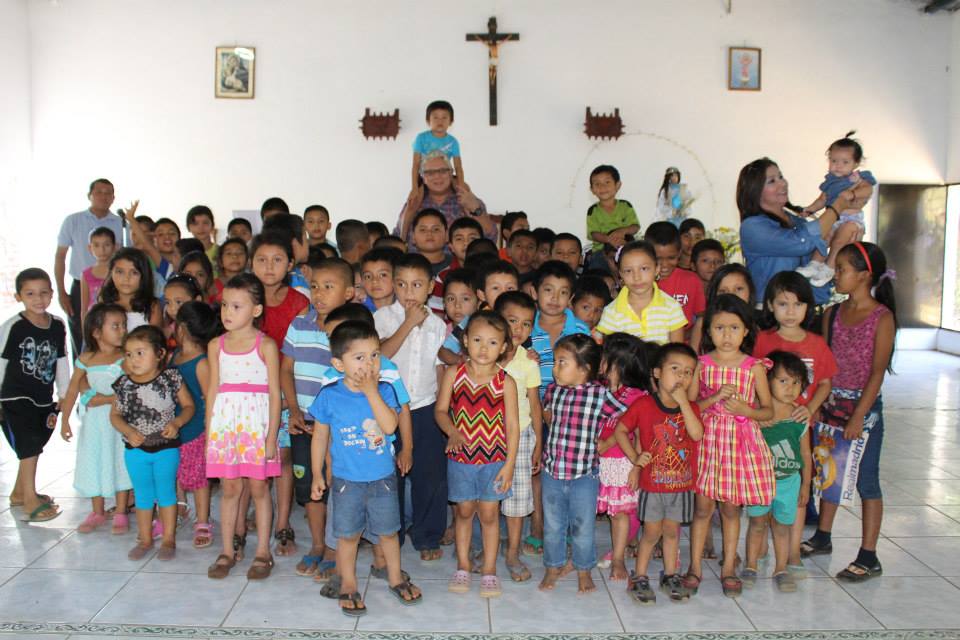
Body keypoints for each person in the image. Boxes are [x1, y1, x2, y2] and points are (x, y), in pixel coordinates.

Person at [309, 320, 422, 615]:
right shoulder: (330, 395)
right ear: (338, 364)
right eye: (360, 358)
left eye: (375, 355)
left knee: (388, 532)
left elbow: (389, 425)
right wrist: (318, 473)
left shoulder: (384, 391)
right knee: (347, 536)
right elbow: (320, 436)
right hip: (347, 481)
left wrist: (371, 392)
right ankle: (348, 583)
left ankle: (395, 577)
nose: (370, 363)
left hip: (382, 479)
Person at [802, 242, 897, 583]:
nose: (836, 274)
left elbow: (877, 372)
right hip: (830, 407)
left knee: (865, 479)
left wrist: (859, 415)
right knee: (829, 473)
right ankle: (823, 535)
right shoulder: (832, 313)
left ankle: (869, 555)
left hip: (863, 410)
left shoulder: (881, 318)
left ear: (864, 275)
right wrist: (815, 405)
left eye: (842, 269)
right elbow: (825, 366)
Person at [685, 294, 774, 599]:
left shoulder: (754, 367)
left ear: (746, 331)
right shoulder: (701, 364)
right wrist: (715, 399)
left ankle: (728, 568)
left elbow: (768, 410)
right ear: (708, 331)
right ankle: (694, 566)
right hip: (708, 442)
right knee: (702, 509)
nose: (726, 335)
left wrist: (747, 412)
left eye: (734, 328)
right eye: (719, 328)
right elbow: (693, 405)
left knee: (731, 509)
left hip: (738, 445)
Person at [754, 271, 837, 574]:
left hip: (800, 429)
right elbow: (754, 380)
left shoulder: (816, 343)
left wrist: (810, 408)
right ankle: (759, 546)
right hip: (766, 429)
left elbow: (825, 382)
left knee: (797, 488)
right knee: (763, 488)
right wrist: (759, 413)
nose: (790, 311)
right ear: (770, 307)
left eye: (798, 304)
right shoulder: (763, 341)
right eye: (783, 304)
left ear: (808, 308)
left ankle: (792, 553)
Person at [435, 311, 519, 598]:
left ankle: (490, 571)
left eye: (493, 342)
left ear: (504, 347)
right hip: (460, 460)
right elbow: (441, 411)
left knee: (489, 514)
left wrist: (509, 466)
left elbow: (512, 427)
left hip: (494, 461)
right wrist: (452, 432)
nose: (484, 348)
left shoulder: (506, 382)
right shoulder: (453, 374)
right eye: (478, 340)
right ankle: (462, 565)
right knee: (464, 512)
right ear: (465, 342)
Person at [281, 257, 355, 579]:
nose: (320, 294)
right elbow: (286, 369)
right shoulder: (299, 324)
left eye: (329, 286)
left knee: (339, 488)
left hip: (337, 428)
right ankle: (316, 544)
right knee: (312, 485)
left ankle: (335, 548)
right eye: (314, 286)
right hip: (304, 424)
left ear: (349, 293)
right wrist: (294, 410)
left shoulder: (350, 332)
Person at [205, 274, 282, 580]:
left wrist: (272, 435)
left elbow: (275, 393)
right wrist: (211, 430)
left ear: (256, 310)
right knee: (230, 489)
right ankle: (227, 550)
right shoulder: (215, 345)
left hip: (256, 427)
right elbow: (213, 388)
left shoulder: (266, 345)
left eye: (237, 306)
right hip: (226, 428)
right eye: (224, 304)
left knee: (260, 487)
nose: (227, 312)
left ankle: (263, 550)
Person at [614, 342, 703, 604]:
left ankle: (671, 574)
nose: (682, 377)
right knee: (651, 533)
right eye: (675, 369)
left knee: (672, 532)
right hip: (653, 485)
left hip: (681, 485)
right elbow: (620, 430)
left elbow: (697, 434)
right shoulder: (643, 405)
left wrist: (684, 403)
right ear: (656, 373)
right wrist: (635, 458)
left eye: (688, 372)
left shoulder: (692, 408)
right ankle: (639, 576)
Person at [539, 334, 626, 594]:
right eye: (555, 361)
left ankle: (583, 569)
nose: (555, 368)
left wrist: (608, 442)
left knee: (583, 525)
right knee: (553, 525)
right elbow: (548, 414)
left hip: (584, 475)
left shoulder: (599, 394)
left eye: (562, 362)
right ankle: (553, 566)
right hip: (552, 471)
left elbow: (626, 417)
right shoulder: (554, 390)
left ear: (584, 369)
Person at [375, 254, 449, 560]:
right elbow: (379, 357)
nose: (408, 292)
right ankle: (387, 532)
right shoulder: (383, 318)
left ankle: (427, 536)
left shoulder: (438, 324)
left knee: (429, 477)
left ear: (430, 287)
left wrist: (444, 407)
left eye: (417, 285)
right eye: (402, 284)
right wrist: (408, 323)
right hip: (389, 410)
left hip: (426, 407)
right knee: (389, 476)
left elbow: (439, 366)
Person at [111, 325, 194, 561]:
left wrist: (177, 423)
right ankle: (145, 538)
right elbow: (114, 415)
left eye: (140, 353)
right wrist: (128, 430)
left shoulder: (171, 378)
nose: (133, 359)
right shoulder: (123, 384)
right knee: (143, 494)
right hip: (135, 450)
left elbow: (189, 406)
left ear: (160, 354)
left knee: (166, 492)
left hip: (166, 449)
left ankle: (168, 539)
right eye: (128, 354)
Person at [0, 269, 70, 522]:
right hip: (13, 395)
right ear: (19, 296)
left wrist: (64, 393)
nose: (38, 299)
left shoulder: (58, 325)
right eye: (30, 294)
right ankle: (30, 500)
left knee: (35, 443)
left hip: (43, 395)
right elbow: (1, 361)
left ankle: (20, 492)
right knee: (28, 442)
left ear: (52, 293)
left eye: (43, 293)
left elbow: (62, 360)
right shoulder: (13, 326)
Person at [742, 350, 812, 593]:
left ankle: (781, 568)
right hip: (760, 481)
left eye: (796, 382)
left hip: (788, 482)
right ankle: (750, 564)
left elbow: (805, 454)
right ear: (767, 381)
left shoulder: (800, 417)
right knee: (757, 523)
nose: (790, 388)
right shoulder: (759, 415)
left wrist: (805, 485)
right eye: (783, 381)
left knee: (782, 527)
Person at [59, 303, 132, 533]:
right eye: (115, 326)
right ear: (97, 332)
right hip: (93, 424)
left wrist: (106, 399)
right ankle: (97, 511)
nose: (122, 330)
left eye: (123, 325)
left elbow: (131, 389)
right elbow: (72, 390)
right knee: (94, 460)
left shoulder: (126, 358)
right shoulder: (86, 359)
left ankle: (120, 511)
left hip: (119, 422)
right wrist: (65, 421)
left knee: (119, 461)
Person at [737, 157, 839, 305]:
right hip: (768, 315)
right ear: (755, 191)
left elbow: (815, 279)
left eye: (781, 177)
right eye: (772, 181)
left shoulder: (799, 222)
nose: (782, 183)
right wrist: (836, 208)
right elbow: (801, 243)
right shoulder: (752, 227)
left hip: (801, 313)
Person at [493, 292, 543, 582]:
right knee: (484, 497)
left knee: (517, 499)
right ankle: (483, 547)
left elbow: (534, 404)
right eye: (512, 321)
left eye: (526, 324)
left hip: (521, 435)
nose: (519, 330)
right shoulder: (484, 356)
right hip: (485, 437)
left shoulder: (528, 362)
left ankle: (512, 551)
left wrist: (538, 443)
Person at [594, 333, 652, 581]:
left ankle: (618, 558)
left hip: (622, 462)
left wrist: (636, 466)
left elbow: (639, 434)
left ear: (618, 363)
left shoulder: (637, 397)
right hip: (597, 461)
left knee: (620, 513)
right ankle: (618, 548)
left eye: (604, 356)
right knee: (612, 512)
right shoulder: (597, 391)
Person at [796, 132, 877, 286]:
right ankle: (814, 264)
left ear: (856, 163)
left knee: (839, 241)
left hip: (851, 220)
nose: (838, 165)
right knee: (823, 239)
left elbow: (868, 190)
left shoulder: (859, 178)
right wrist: (809, 209)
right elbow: (822, 200)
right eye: (834, 161)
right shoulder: (830, 182)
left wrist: (853, 193)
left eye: (845, 162)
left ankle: (829, 267)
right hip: (833, 218)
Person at [55, 178, 125, 353]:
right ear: (89, 195)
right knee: (81, 336)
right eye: (99, 192)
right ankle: (82, 378)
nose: (103, 196)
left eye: (108, 193)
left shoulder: (120, 223)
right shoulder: (73, 220)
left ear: (113, 197)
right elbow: (60, 257)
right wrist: (62, 292)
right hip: (81, 286)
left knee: (114, 335)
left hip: (113, 286)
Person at [172, 302, 219, 549]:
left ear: (181, 328)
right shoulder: (175, 356)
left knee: (199, 478)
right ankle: (180, 507)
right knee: (176, 472)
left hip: (197, 429)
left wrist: (209, 432)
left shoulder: (201, 362)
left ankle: (203, 519)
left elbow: (209, 398)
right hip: (175, 426)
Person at [395, 151, 496, 248]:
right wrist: (409, 211)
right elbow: (397, 237)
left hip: (460, 263)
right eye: (430, 173)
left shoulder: (468, 199)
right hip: (418, 263)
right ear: (423, 177)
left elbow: (491, 238)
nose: (437, 176)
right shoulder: (414, 202)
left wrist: (476, 209)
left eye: (443, 171)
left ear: (451, 173)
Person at [596, 241, 686, 345]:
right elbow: (610, 353)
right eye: (628, 271)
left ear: (657, 269)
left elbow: (677, 352)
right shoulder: (611, 312)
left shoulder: (672, 307)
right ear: (621, 274)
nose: (637, 277)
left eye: (644, 269)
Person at [645, 222, 706, 328]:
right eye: (658, 259)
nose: (664, 265)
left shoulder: (692, 280)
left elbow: (701, 318)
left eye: (671, 258)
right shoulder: (640, 282)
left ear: (679, 253)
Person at [689, 264, 757, 353]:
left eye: (739, 289)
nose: (731, 294)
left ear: (750, 291)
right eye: (723, 291)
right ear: (714, 294)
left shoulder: (761, 323)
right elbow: (692, 360)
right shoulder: (703, 323)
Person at [430, 217, 484, 316]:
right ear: (451, 247)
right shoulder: (443, 277)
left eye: (472, 238)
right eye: (459, 239)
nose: (466, 243)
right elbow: (437, 316)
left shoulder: (488, 275)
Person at [98, 248, 162, 330]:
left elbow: (154, 339)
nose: (126, 278)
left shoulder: (152, 306)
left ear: (144, 276)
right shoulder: (105, 301)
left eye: (134, 273)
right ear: (111, 274)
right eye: (120, 272)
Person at [586, 165, 639, 258]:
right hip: (601, 251)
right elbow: (594, 234)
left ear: (617, 185)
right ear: (592, 190)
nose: (602, 187)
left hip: (626, 248)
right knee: (596, 267)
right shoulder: (593, 211)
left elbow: (635, 227)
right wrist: (608, 239)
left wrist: (623, 231)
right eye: (597, 184)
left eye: (607, 182)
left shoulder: (625, 206)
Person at [411, 100, 464, 189]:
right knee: (417, 197)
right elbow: (415, 164)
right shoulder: (421, 138)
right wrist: (414, 188)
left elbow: (458, 167)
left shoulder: (453, 142)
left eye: (444, 117)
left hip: (445, 177)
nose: (440, 121)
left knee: (464, 189)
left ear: (451, 121)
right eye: (436, 118)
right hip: (426, 176)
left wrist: (461, 185)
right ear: (428, 121)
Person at [79, 227, 117, 326]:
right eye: (96, 245)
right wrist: (85, 334)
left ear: (115, 246)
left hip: (117, 321)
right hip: (95, 324)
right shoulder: (86, 275)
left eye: (107, 245)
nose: (102, 250)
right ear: (90, 248)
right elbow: (84, 308)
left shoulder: (119, 271)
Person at [410, 209, 451, 277]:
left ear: (446, 235)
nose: (429, 234)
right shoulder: (405, 266)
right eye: (423, 230)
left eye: (436, 229)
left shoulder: (457, 265)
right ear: (413, 237)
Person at [360, 248, 401, 312]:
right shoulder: (359, 312)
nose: (374, 281)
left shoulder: (406, 309)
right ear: (362, 281)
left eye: (383, 275)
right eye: (368, 276)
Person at [214, 238, 249, 303]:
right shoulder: (212, 286)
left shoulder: (253, 284)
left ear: (247, 261)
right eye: (229, 253)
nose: (235, 256)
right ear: (220, 261)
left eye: (240, 253)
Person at [185, 205, 218, 271]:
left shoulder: (220, 251)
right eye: (195, 224)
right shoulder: (184, 252)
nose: (201, 227)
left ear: (212, 225)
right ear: (188, 227)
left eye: (205, 223)